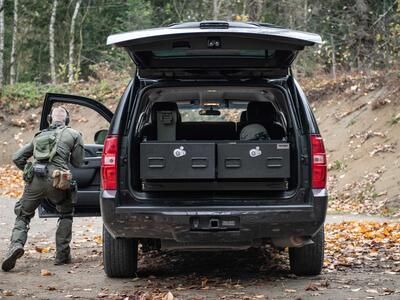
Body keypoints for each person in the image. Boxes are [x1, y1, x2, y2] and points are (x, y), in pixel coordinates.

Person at [1, 106, 84, 272]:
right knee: (66, 213)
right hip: (58, 180)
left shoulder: (39, 135)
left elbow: (17, 157)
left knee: (23, 216)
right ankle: (62, 255)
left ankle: (16, 246)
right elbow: (78, 162)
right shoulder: (74, 134)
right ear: (67, 120)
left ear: (49, 119)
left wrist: (28, 169)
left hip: (35, 181)